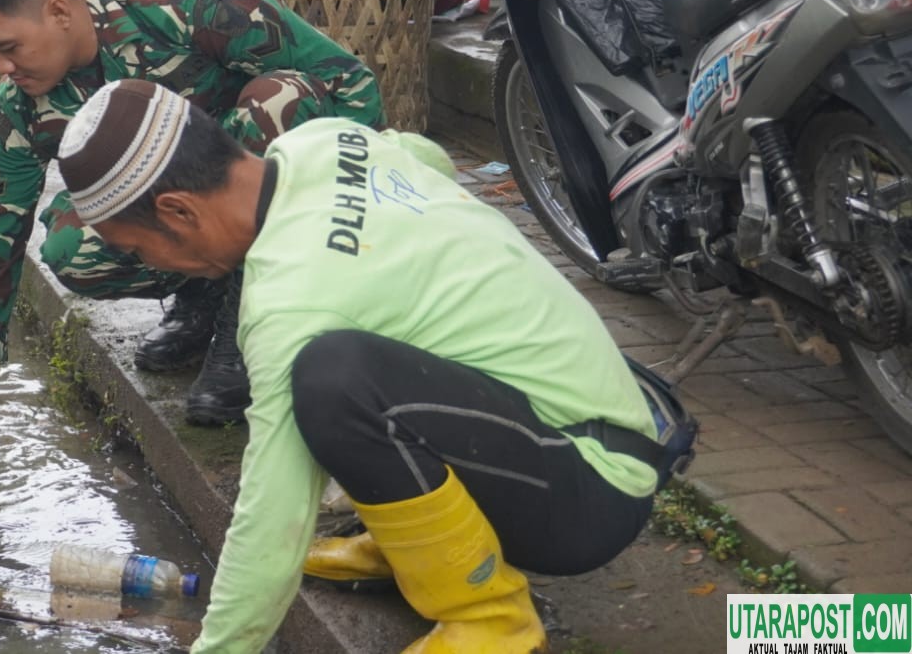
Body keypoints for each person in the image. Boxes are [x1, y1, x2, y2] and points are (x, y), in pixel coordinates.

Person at [57, 80, 676, 653]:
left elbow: (273, 520)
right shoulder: (322, 141)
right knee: (363, 354)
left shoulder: (289, 306)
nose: (154, 266)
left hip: (589, 496)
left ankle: (490, 617)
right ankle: (417, 547)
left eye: (138, 248)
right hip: (602, 429)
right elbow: (426, 157)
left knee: (333, 379)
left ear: (178, 211)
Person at [0, 0, 381, 433]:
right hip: (184, 222)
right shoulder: (19, 108)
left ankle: (248, 321)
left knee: (282, 99)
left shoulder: (192, 3)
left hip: (269, 194)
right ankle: (205, 291)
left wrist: (363, 222)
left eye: (9, 47)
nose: (2, 68)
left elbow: (350, 85)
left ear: (59, 12)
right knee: (70, 247)